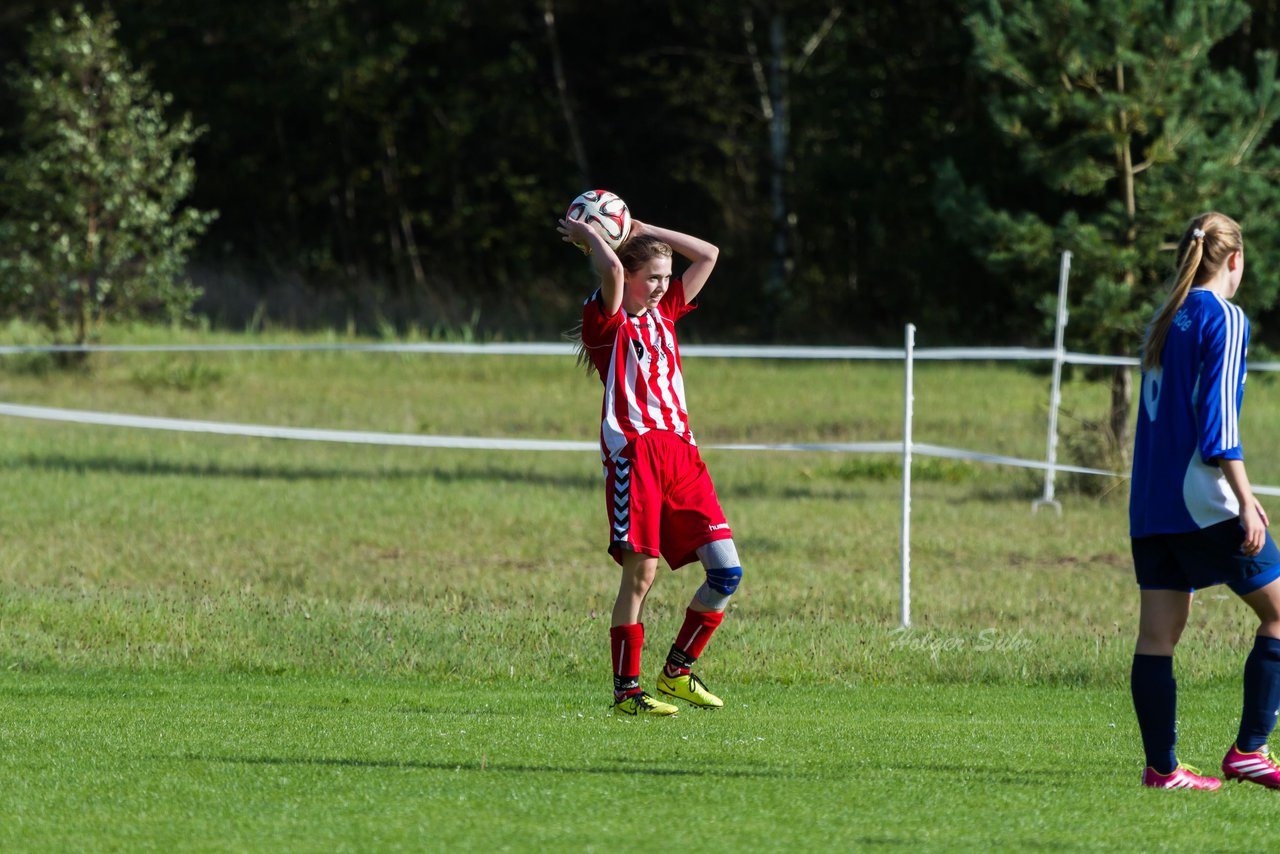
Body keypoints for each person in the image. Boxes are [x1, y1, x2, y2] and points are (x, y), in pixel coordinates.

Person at [557, 210, 741, 717]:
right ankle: (626, 693)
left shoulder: (667, 313)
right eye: (652, 278)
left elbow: (709, 254)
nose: (662, 287)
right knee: (641, 576)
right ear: (630, 279)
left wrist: (645, 232)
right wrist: (588, 234)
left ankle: (678, 672)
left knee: (726, 572)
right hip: (635, 457)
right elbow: (612, 273)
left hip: (682, 454)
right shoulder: (608, 325)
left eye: (665, 277)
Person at [1130, 212, 1280, 789]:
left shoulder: (1163, 320)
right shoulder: (1225, 316)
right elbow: (1219, 423)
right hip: (1202, 500)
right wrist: (1247, 498)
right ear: (1235, 260)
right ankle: (1250, 750)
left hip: (1150, 505)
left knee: (1157, 636)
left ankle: (1163, 770)